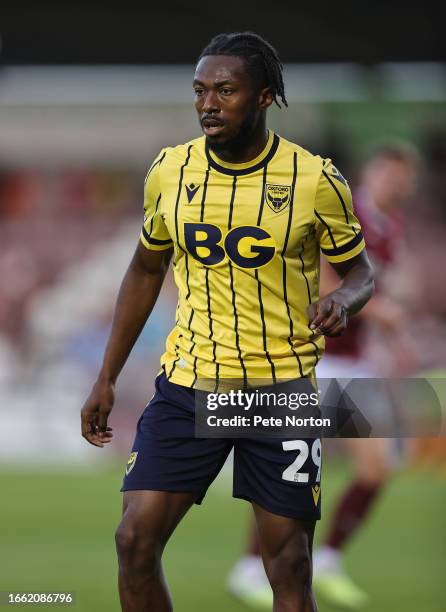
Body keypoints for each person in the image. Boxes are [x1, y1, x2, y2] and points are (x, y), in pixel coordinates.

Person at [80, 31, 374, 612]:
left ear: (264, 97)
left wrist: (345, 301)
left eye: (225, 90)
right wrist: (107, 375)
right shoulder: (170, 171)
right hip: (192, 383)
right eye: (200, 91)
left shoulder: (315, 180)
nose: (208, 104)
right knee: (133, 540)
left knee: (288, 567)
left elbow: (362, 272)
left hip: (280, 391)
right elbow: (144, 269)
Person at [227, 144, 418, 610]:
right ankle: (251, 567)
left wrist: (395, 339)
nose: (397, 183)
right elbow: (325, 284)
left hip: (352, 365)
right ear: (370, 173)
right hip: (312, 358)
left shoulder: (390, 228)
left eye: (403, 177)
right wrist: (383, 312)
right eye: (389, 173)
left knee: (374, 469)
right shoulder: (346, 213)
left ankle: (328, 560)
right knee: (292, 470)